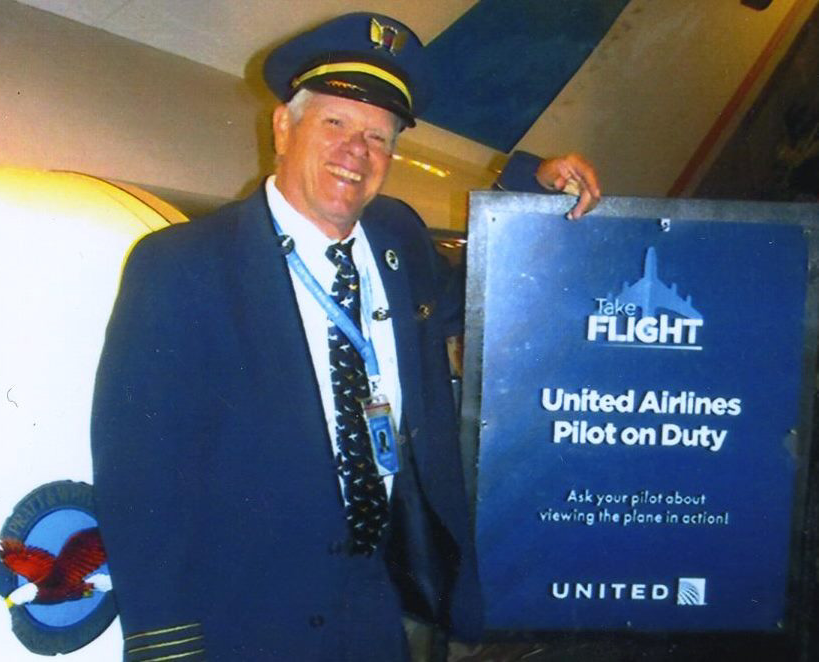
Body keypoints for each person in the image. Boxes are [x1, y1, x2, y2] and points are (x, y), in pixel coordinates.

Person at [91, 12, 600, 662]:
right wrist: (166, 645)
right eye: (334, 123)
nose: (356, 151)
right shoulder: (183, 267)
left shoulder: (398, 239)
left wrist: (533, 186)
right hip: (246, 624)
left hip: (375, 611)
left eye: (378, 137)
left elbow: (486, 293)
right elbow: (140, 477)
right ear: (283, 127)